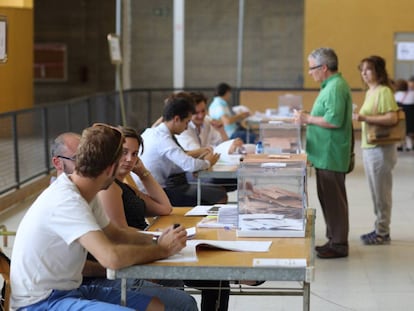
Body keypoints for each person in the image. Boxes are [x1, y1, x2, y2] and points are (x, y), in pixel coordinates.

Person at [10, 123, 188, 311]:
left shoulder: (84, 190)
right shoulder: (66, 200)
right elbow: (111, 258)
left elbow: (117, 234)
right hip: (40, 302)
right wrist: (162, 250)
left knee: (156, 306)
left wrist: (158, 239)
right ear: (111, 169)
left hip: (69, 290)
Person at [294, 47, 352, 259]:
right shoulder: (330, 86)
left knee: (333, 200)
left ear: (324, 67)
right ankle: (333, 239)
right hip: (324, 154)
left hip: (331, 154)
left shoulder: (335, 87)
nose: (310, 73)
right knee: (328, 199)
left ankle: (339, 244)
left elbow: (334, 120)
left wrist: (307, 119)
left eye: (312, 68)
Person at [139, 92, 227, 206]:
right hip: (155, 193)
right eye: (186, 122)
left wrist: (199, 160)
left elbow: (179, 161)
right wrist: (208, 162)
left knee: (218, 191)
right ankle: (206, 223)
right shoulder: (163, 139)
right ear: (176, 119)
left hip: (156, 187)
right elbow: (189, 165)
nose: (186, 127)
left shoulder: (153, 132)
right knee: (219, 195)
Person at [353, 55, 399, 245]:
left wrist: (364, 118)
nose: (364, 73)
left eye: (368, 69)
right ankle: (379, 227)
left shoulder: (384, 92)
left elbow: (392, 118)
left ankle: (383, 232)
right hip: (370, 146)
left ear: (378, 71)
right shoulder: (371, 91)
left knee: (382, 193)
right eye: (362, 69)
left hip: (381, 149)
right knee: (375, 192)